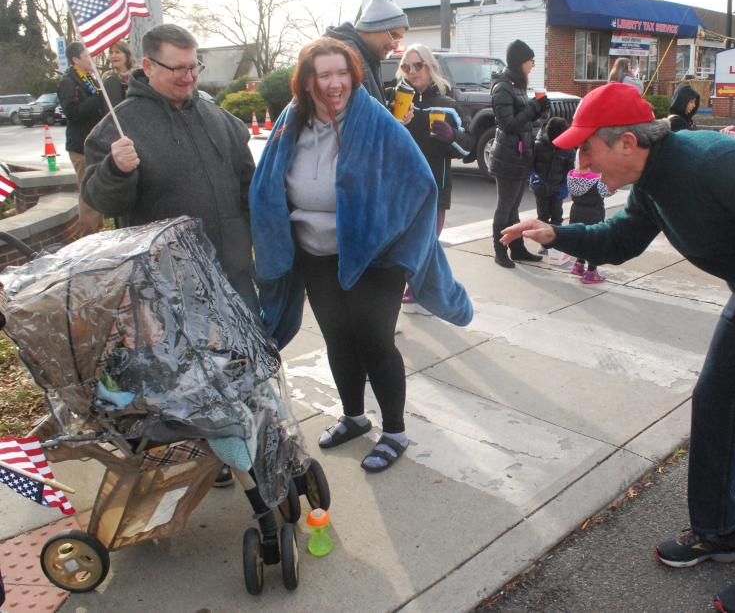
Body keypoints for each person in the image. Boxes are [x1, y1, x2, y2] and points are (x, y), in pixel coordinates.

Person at [500, 82, 735, 613]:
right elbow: (621, 240)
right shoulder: (653, 181)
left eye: (588, 148)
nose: (582, 160)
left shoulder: (719, 165)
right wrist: (556, 235)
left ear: (627, 142)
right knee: (714, 402)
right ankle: (716, 532)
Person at [248, 38, 471, 473]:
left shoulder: (375, 121)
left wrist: (400, 247)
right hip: (315, 252)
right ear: (307, 80)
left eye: (342, 73)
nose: (335, 83)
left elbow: (421, 185)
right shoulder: (291, 123)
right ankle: (353, 416)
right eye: (324, 74)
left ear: (353, 76)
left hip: (374, 256)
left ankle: (394, 431)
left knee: (374, 340)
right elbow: (267, 180)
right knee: (338, 338)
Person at [82, 24, 258, 487]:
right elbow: (103, 203)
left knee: (243, 369)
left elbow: (246, 184)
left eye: (193, 66)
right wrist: (115, 171)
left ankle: (252, 443)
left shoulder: (216, 117)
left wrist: (257, 240)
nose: (188, 77)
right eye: (177, 68)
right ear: (147, 65)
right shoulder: (118, 127)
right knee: (191, 382)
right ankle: (213, 460)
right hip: (169, 286)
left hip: (232, 273)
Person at [388, 43, 473, 305]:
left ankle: (420, 289)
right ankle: (406, 287)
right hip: (402, 189)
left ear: (430, 67)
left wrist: (451, 137)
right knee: (401, 243)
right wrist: (397, 123)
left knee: (426, 243)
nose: (412, 71)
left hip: (435, 187)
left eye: (418, 65)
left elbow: (467, 149)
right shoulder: (395, 100)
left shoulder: (447, 105)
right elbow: (384, 144)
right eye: (406, 66)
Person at [489, 39, 551, 268]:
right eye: (530, 60)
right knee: (505, 207)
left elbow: (523, 121)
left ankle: (517, 249)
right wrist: (533, 108)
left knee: (513, 207)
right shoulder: (503, 86)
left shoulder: (517, 84)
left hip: (520, 154)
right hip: (507, 156)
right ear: (519, 62)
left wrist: (540, 111)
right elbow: (509, 124)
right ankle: (500, 250)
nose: (533, 64)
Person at [324, 0, 408, 106]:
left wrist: (388, 111)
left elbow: (366, 111)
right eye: (393, 35)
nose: (395, 45)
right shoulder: (348, 57)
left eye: (399, 39)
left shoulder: (369, 56)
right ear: (374, 27)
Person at [58, 41, 106, 236]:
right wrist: (98, 99)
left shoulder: (90, 79)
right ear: (75, 59)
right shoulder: (69, 81)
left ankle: (98, 230)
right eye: (87, 56)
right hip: (80, 146)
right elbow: (72, 112)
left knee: (98, 189)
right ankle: (87, 236)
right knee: (88, 192)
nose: (91, 59)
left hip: (96, 142)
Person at [566, 152, 612, 284]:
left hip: (576, 212)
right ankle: (591, 272)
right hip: (594, 214)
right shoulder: (598, 179)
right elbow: (607, 191)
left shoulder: (572, 176)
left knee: (581, 239)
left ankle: (579, 265)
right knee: (594, 243)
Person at [531, 117, 575, 248]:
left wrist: (565, 186)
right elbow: (530, 165)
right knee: (542, 216)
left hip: (557, 188)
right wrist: (534, 178)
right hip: (541, 188)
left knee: (557, 216)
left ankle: (555, 244)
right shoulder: (538, 145)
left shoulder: (568, 148)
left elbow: (571, 169)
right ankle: (543, 244)